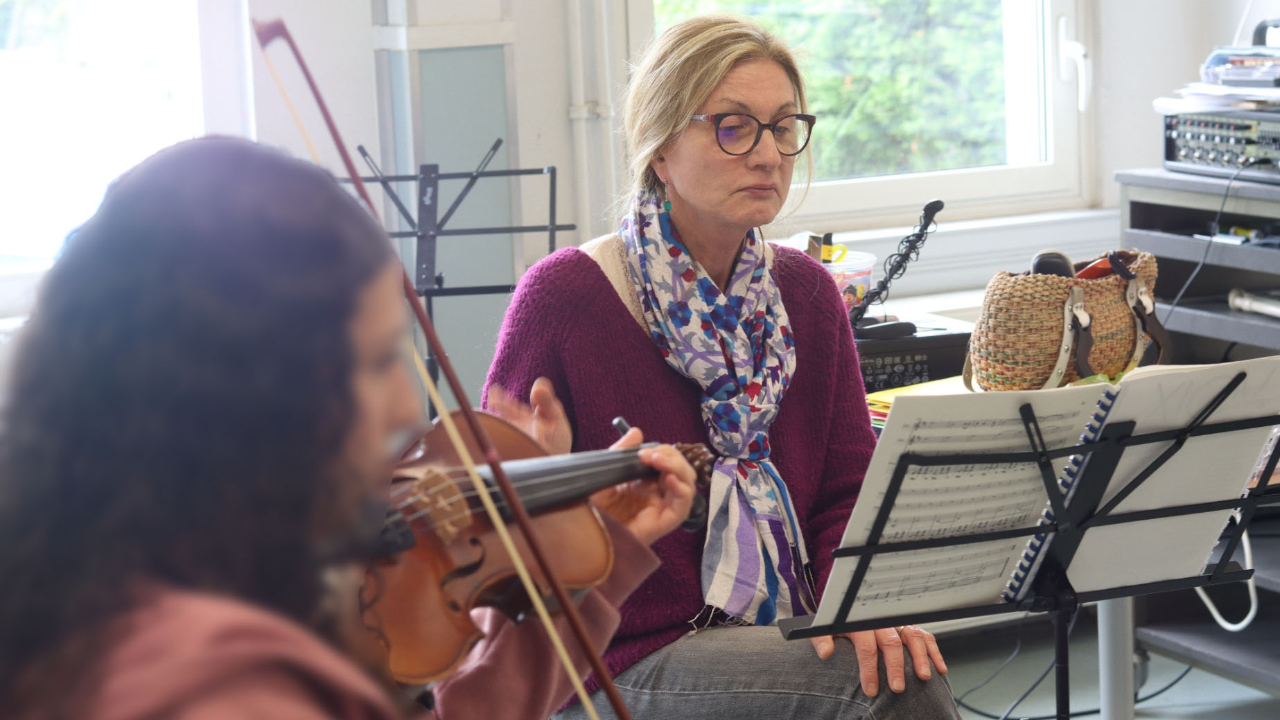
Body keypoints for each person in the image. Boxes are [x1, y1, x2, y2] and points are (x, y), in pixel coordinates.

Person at [0, 136, 699, 720]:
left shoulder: (133, 564)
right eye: (369, 363)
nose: (405, 409)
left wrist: (595, 554)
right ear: (232, 383)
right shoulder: (216, 682)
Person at [484, 15, 962, 719]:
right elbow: (502, 530)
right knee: (900, 691)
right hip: (617, 654)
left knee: (898, 657)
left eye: (783, 127)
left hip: (778, 624)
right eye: (733, 127)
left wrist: (857, 611)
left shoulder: (806, 292)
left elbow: (848, 490)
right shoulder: (566, 297)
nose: (768, 155)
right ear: (660, 149)